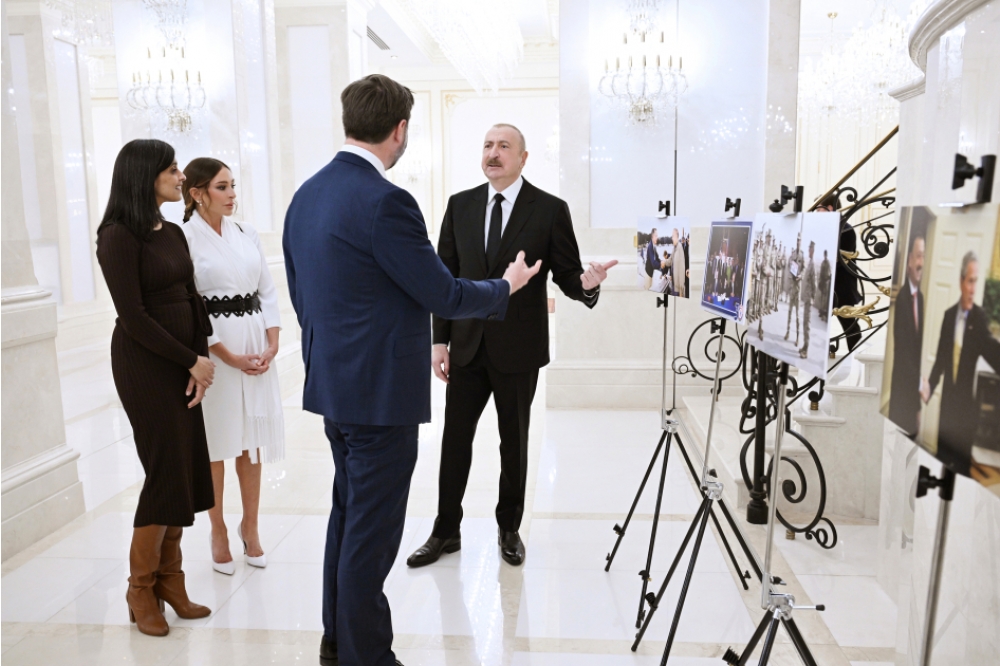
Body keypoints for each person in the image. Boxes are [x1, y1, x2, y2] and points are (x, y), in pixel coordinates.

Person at [282, 75, 541, 666]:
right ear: (399, 129)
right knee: (370, 538)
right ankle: (367, 656)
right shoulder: (387, 201)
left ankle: (336, 642)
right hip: (378, 397)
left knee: (347, 518)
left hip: (333, 386)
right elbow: (443, 293)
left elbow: (301, 293)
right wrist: (506, 285)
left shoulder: (307, 194)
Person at [406, 123, 615, 569]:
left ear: (523, 158)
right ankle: (445, 530)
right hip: (466, 346)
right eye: (487, 145)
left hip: (519, 349)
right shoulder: (460, 205)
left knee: (513, 443)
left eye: (504, 146)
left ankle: (509, 528)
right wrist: (439, 340)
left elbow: (567, 275)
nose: (493, 153)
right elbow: (444, 279)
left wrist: (588, 284)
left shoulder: (549, 209)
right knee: (454, 441)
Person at [95, 139, 215, 637]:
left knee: (183, 470)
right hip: (145, 365)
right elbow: (134, 317)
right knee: (165, 471)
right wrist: (190, 360)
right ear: (145, 176)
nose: (181, 176)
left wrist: (200, 360)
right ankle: (140, 588)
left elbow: (191, 297)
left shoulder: (173, 231)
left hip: (185, 363)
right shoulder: (117, 236)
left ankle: (171, 581)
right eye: (172, 169)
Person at [181, 158, 283, 575]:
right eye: (222, 187)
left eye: (233, 186)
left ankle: (250, 526)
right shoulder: (184, 238)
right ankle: (218, 528)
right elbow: (190, 304)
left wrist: (272, 342)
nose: (232, 195)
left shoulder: (246, 233)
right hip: (214, 350)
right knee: (217, 441)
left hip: (255, 343)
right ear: (197, 193)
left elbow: (267, 290)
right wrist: (224, 354)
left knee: (250, 441)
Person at [922, 252, 1000, 475]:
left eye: (976, 282)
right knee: (942, 461)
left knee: (962, 468)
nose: (973, 289)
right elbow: (940, 359)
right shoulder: (948, 317)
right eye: (970, 281)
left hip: (967, 411)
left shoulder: (979, 318)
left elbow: (993, 352)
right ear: (961, 281)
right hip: (947, 406)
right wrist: (929, 388)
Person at [888, 233, 926, 436]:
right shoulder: (902, 299)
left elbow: (917, 353)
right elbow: (903, 354)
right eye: (919, 256)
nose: (921, 263)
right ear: (910, 259)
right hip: (902, 393)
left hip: (913, 396)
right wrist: (921, 385)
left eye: (924, 257)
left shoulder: (920, 298)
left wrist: (918, 407)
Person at [785, 234, 804, 344]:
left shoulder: (802, 255)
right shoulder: (792, 255)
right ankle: (787, 332)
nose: (798, 242)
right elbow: (789, 265)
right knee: (789, 312)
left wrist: (801, 275)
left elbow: (804, 269)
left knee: (797, 315)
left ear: (801, 242)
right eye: (797, 240)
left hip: (798, 289)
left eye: (799, 240)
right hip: (792, 286)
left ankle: (797, 337)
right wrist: (791, 269)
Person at [799, 241, 817, 359]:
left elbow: (814, 282)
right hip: (806, 298)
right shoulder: (810, 262)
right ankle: (804, 345)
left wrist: (812, 298)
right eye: (808, 248)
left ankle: (806, 349)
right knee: (805, 323)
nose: (809, 250)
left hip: (809, 299)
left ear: (813, 250)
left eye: (810, 249)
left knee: (807, 324)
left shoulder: (813, 264)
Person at [662, 228, 686, 297]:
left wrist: (681, 291)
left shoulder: (680, 249)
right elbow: (670, 261)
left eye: (673, 236)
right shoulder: (674, 248)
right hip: (673, 285)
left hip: (678, 289)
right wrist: (663, 262)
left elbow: (682, 271)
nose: (672, 238)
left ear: (677, 237)